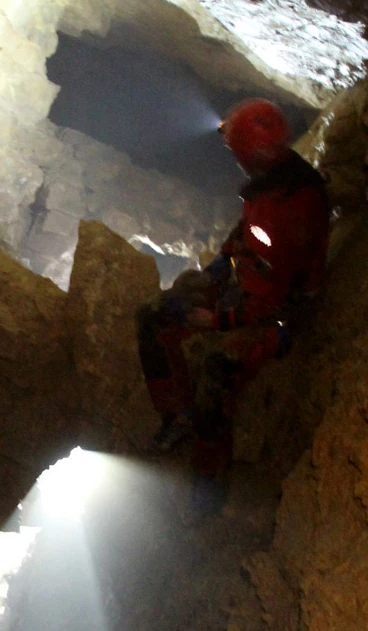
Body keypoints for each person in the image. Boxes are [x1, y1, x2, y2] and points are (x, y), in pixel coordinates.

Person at [135, 97, 330, 503]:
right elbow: (248, 230)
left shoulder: (297, 209)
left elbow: (277, 297)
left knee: (215, 373)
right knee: (154, 316)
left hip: (279, 314)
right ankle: (177, 417)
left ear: (251, 153)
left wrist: (215, 321)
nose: (234, 160)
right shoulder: (272, 179)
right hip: (249, 284)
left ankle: (209, 479)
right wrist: (221, 264)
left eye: (236, 152)